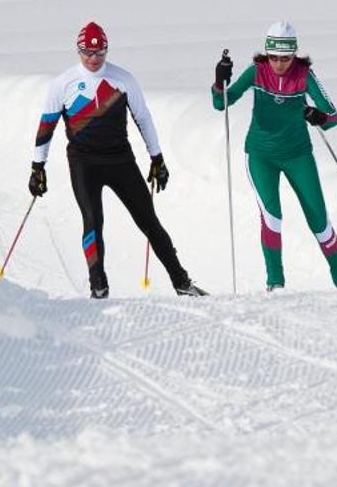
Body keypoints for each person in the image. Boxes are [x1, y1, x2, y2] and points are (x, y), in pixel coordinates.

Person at [30, 21, 207, 299]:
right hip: (83, 163)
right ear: (78, 51)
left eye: (99, 53)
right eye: (87, 53)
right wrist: (37, 167)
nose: (93, 59)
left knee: (149, 221)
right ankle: (98, 286)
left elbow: (143, 118)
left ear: (106, 51)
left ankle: (182, 282)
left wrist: (157, 158)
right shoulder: (62, 84)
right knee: (92, 221)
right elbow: (46, 126)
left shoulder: (123, 79)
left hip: (119, 161)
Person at [210, 21, 337, 291]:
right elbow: (222, 104)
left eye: (285, 58)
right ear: (266, 54)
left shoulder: (304, 75)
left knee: (319, 220)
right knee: (272, 217)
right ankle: (275, 284)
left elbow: (333, 117)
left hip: (298, 155)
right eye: (274, 57)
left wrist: (317, 116)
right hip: (261, 155)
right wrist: (220, 81)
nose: (278, 64)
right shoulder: (256, 72)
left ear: (294, 55)